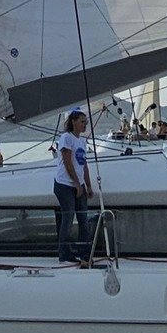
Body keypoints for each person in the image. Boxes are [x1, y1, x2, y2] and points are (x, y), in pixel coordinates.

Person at [54, 109, 94, 263]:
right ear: (73, 122)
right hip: (65, 184)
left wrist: (87, 186)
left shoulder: (82, 142)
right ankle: (65, 253)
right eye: (82, 121)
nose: (85, 125)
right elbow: (67, 161)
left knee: (83, 219)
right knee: (68, 218)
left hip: (79, 185)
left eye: (86, 122)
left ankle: (84, 252)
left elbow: (83, 165)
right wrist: (76, 184)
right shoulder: (66, 138)